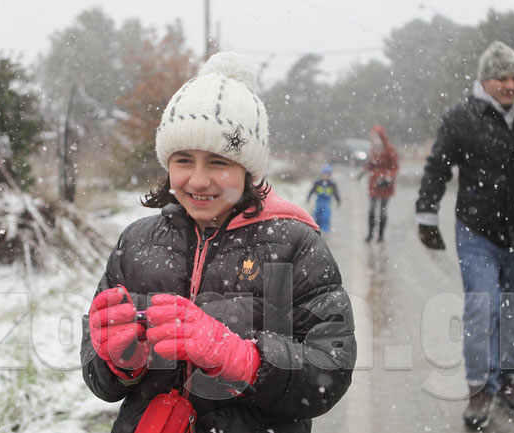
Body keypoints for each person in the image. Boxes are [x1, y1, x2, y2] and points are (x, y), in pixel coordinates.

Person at [80, 52, 356, 433]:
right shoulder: (137, 242)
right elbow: (99, 380)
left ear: (248, 169)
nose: (197, 180)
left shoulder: (294, 245)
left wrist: (244, 360)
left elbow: (331, 370)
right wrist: (118, 360)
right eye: (183, 160)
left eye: (217, 162)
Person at [415, 41, 514, 429]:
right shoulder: (461, 117)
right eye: (501, 77)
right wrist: (426, 215)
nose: (509, 83)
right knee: (481, 308)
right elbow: (438, 167)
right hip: (477, 231)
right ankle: (479, 389)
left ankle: (509, 383)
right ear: (484, 80)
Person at [363, 125, 399, 243]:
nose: (374, 139)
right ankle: (370, 234)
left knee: (383, 210)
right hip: (374, 183)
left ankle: (381, 235)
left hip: (385, 185)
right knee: (372, 210)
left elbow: (395, 167)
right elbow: (371, 164)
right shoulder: (373, 149)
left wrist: (388, 177)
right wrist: (365, 169)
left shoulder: (390, 149)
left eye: (376, 136)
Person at [306, 164, 341, 233]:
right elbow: (312, 191)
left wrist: (338, 201)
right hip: (319, 201)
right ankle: (316, 230)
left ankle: (325, 231)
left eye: (327, 174)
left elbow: (336, 193)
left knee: (325, 217)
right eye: (324, 174)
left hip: (327, 202)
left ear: (329, 175)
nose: (325, 176)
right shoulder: (318, 182)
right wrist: (308, 197)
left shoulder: (332, 184)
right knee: (317, 216)